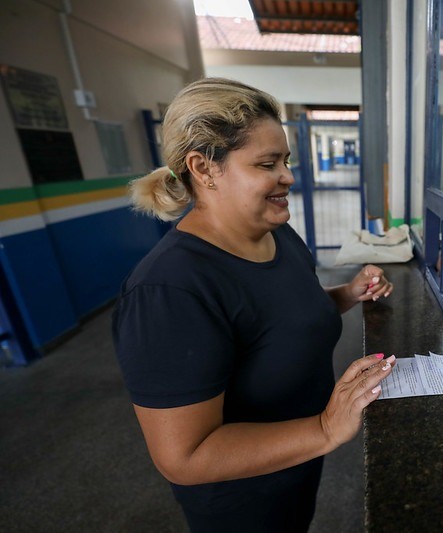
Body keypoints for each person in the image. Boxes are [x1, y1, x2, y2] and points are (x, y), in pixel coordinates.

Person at [112, 77, 396, 531]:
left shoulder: (275, 232)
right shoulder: (168, 291)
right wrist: (324, 428)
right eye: (267, 163)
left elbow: (273, 317)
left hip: (297, 466)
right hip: (243, 501)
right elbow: (184, 457)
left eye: (285, 160)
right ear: (204, 169)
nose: (287, 175)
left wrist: (346, 294)